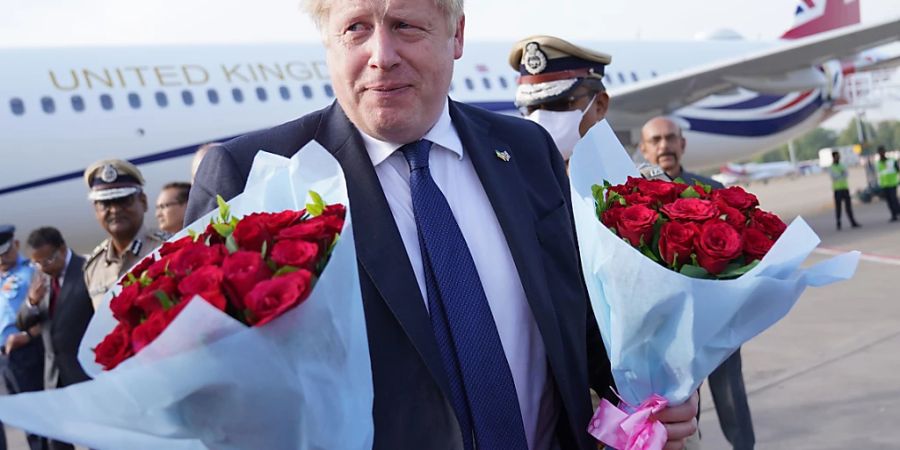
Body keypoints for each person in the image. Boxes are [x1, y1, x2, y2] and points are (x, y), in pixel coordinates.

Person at [186, 1, 698, 449]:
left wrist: (654, 389)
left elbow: (583, 320)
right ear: (328, 40)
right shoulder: (253, 178)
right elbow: (209, 389)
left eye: (406, 25)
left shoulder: (524, 151)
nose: (381, 54)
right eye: (356, 28)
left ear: (456, 36)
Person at [640, 116, 755, 450]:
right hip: (665, 332)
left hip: (715, 321)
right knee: (680, 415)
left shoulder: (712, 191)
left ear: (683, 144)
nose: (665, 146)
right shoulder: (634, 199)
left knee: (731, 397)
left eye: (671, 138)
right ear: (644, 148)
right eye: (656, 140)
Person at [14, 227, 91, 450]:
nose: (42, 267)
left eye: (47, 260)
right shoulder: (41, 279)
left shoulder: (85, 269)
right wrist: (31, 302)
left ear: (62, 249)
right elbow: (22, 322)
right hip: (54, 377)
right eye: (36, 263)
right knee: (57, 442)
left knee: (98, 438)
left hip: (83, 373)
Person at [509, 35, 611, 164]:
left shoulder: (629, 181)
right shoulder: (505, 181)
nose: (540, 117)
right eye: (531, 108)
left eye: (560, 104)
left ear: (600, 105)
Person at [82, 159, 163, 309]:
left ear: (143, 202)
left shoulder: (166, 249)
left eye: (123, 200)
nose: (114, 210)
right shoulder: (94, 268)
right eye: (105, 203)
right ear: (96, 210)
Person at [0, 225, 47, 450]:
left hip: (27, 352)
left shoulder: (30, 272)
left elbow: (47, 314)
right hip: (3, 359)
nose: (1, 258)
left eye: (4, 251)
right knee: (19, 418)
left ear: (15, 245)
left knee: (38, 418)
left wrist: (27, 336)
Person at [829, 151, 860, 230]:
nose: (838, 158)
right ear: (833, 157)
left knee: (848, 207)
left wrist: (840, 175)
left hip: (845, 188)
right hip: (837, 189)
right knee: (838, 208)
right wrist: (841, 174)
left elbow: (846, 174)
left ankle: (852, 221)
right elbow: (834, 177)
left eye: (838, 156)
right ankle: (838, 222)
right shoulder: (831, 167)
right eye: (836, 156)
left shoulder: (842, 165)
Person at [875, 145, 899, 222]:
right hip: (884, 185)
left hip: (892, 183)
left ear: (885, 152)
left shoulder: (892, 161)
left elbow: (898, 170)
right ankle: (893, 215)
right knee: (889, 201)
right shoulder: (878, 163)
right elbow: (879, 175)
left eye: (882, 151)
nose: (881, 153)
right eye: (880, 152)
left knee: (894, 199)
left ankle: (897, 212)